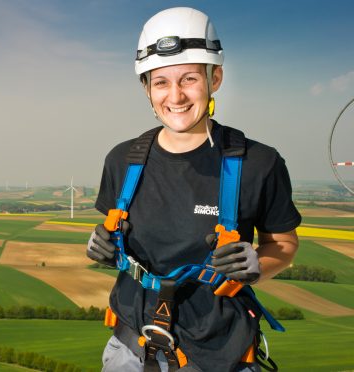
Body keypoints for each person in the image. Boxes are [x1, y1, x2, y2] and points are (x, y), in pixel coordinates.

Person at [87, 7, 301, 372]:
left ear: (214, 78)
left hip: (216, 355)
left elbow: (283, 244)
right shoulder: (123, 160)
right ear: (146, 88)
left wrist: (256, 266)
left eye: (189, 79)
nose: (176, 96)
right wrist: (99, 244)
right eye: (161, 82)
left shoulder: (258, 163)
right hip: (128, 350)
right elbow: (113, 230)